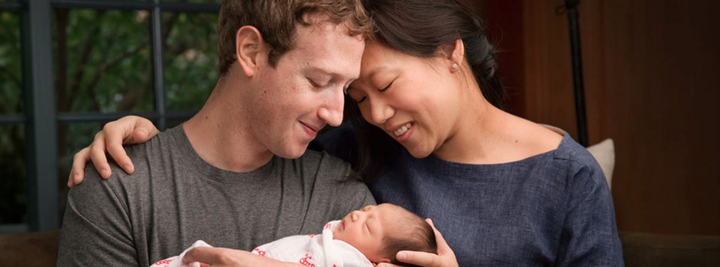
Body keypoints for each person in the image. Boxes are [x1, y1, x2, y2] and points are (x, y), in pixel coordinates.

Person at [69, 0, 625, 266]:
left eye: (370, 86)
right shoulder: (361, 153)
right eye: (357, 95)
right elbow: (240, 125)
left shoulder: (343, 191)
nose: (357, 113)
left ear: (452, 52)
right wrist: (141, 136)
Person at [56, 1, 388, 266]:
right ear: (250, 52)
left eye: (344, 89)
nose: (336, 114)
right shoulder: (119, 189)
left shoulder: (344, 203)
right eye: (319, 81)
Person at [151, 204, 437, 267]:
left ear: (381, 262)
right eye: (365, 210)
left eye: (367, 227)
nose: (356, 216)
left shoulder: (352, 260)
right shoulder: (336, 237)